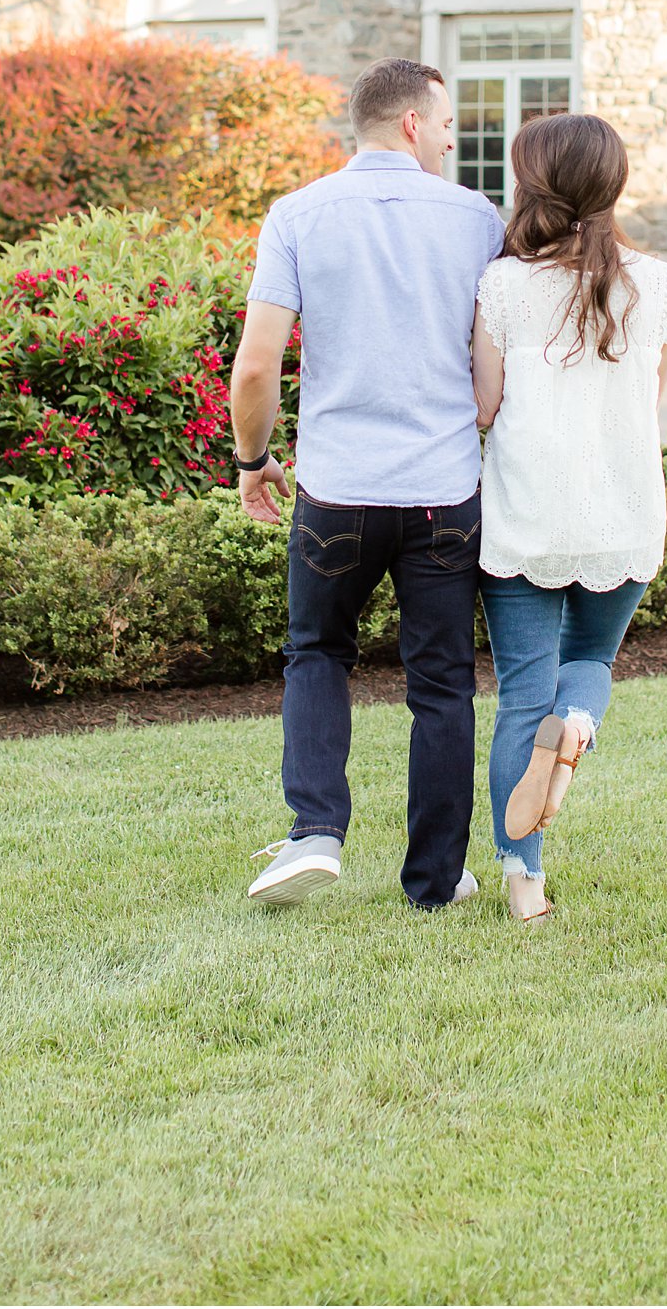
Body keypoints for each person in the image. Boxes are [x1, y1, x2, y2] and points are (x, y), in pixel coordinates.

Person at [230, 57, 505, 911]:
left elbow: (254, 368)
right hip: (442, 489)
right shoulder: (476, 219)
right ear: (413, 124)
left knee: (316, 653)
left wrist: (253, 460)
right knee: (442, 683)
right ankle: (433, 881)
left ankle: (316, 830)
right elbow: (495, 360)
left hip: (338, 490)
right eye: (449, 122)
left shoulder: (298, 215)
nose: (456, 137)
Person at [472, 113, 667, 925]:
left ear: (534, 185)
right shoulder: (659, 284)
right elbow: (649, 397)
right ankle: (580, 726)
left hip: (527, 519)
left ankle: (525, 884)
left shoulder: (504, 286)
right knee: (591, 656)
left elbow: (486, 407)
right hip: (624, 517)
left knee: (523, 692)